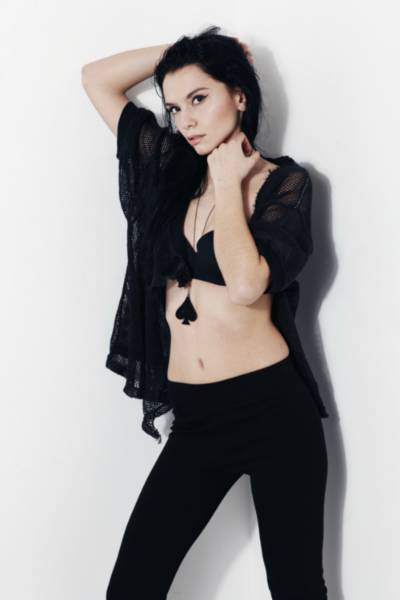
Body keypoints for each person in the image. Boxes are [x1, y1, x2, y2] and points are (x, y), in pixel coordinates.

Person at [82, 25, 329, 600]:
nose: (185, 120)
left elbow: (246, 285)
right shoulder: (168, 172)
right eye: (174, 108)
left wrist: (228, 182)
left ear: (239, 95)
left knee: (296, 588)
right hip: (196, 420)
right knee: (133, 586)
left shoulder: (284, 183)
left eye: (199, 98)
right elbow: (96, 79)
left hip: (273, 413)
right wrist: (183, 51)